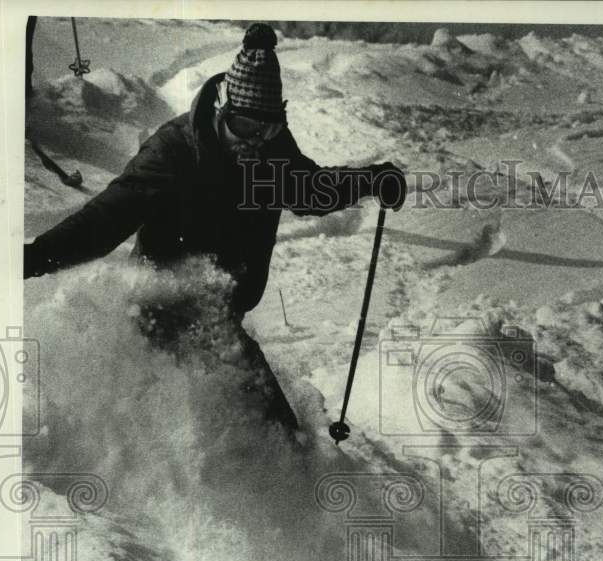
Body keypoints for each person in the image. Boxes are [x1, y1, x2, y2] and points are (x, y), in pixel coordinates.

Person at [24, 22, 407, 430]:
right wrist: (34, 257)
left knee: (280, 436)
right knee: (192, 432)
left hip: (220, 321)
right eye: (244, 127)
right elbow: (105, 220)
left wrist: (370, 180)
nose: (253, 141)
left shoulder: (270, 150)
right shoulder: (173, 152)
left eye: (266, 129)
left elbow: (309, 190)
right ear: (224, 109)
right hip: (157, 318)